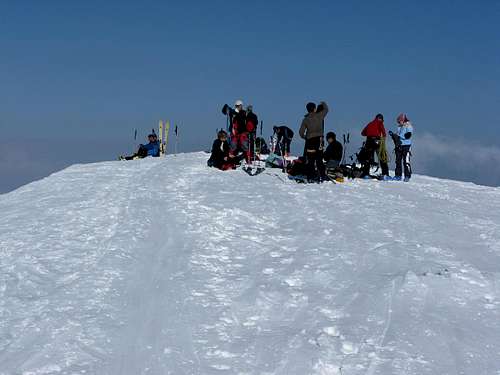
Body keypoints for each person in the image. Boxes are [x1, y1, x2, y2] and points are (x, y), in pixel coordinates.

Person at [299, 101, 329, 181]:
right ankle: (322, 176)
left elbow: (301, 132)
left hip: (310, 141)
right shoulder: (319, 116)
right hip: (319, 140)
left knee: (311, 160)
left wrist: (305, 137)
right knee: (319, 160)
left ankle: (310, 176)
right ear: (315, 109)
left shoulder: (305, 119)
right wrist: (323, 103)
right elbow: (326, 110)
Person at [359, 113, 390, 179]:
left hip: (368, 141)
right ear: (381, 119)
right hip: (376, 141)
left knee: (368, 158)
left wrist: (369, 133)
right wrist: (383, 137)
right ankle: (385, 174)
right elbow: (383, 132)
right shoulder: (380, 123)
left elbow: (362, 133)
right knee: (382, 156)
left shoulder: (370, 123)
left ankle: (366, 173)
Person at [389, 113, 413, 181]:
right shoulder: (399, 127)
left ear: (403, 120)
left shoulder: (408, 126)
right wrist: (393, 135)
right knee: (398, 161)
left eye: (399, 121)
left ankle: (407, 176)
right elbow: (398, 135)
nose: (399, 122)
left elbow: (408, 136)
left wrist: (399, 137)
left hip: (406, 146)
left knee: (406, 161)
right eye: (398, 122)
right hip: (399, 146)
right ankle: (398, 175)